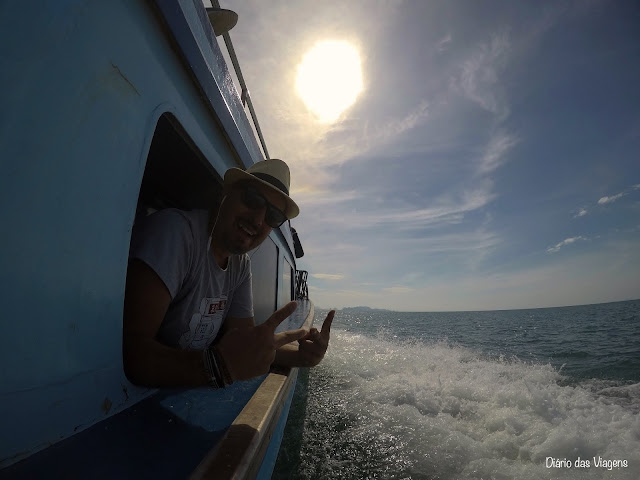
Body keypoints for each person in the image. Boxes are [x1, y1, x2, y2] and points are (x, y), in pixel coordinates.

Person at [123, 158, 334, 388]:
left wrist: (303, 358)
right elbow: (130, 352)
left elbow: (246, 345)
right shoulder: (176, 234)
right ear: (228, 191)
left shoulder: (240, 265)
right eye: (253, 199)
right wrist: (216, 366)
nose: (258, 219)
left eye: (273, 216)